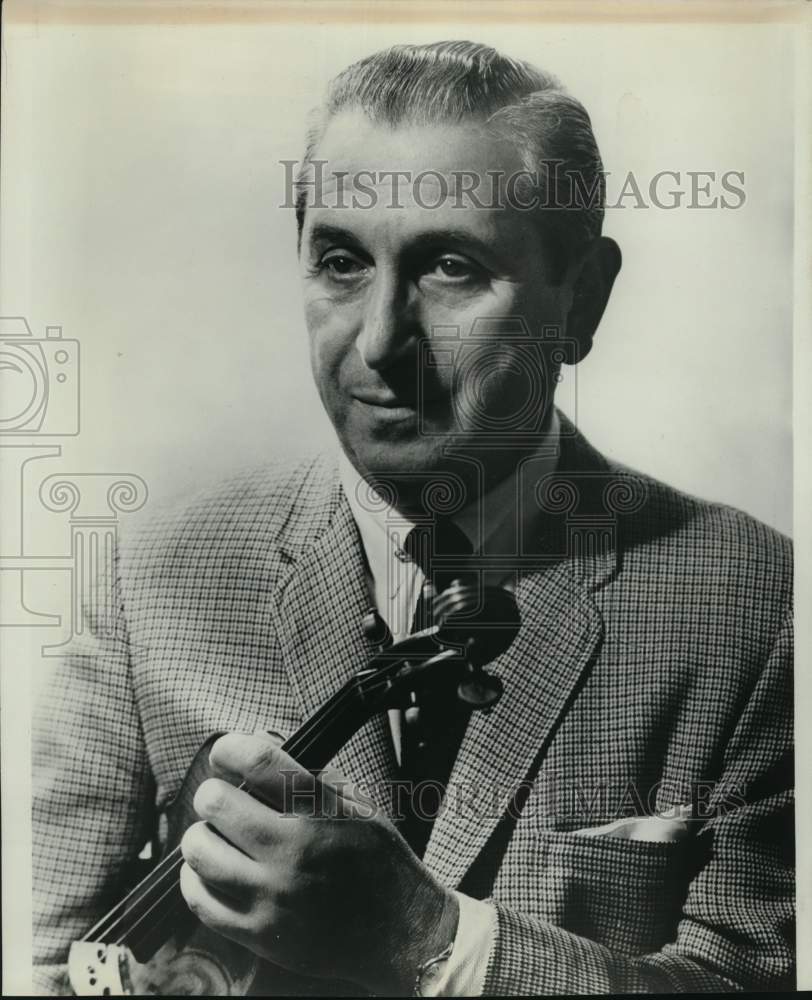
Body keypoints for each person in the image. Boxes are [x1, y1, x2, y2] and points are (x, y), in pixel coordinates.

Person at [33, 40, 793, 995]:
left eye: (449, 269)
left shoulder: (762, 605)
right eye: (342, 262)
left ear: (582, 300)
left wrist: (433, 939)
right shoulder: (151, 577)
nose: (382, 341)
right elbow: (32, 959)